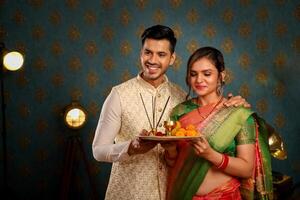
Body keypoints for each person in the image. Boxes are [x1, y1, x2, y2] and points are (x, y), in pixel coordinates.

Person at [92, 25, 250, 200]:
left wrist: (231, 103)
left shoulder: (181, 98)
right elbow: (98, 150)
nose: (152, 60)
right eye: (147, 52)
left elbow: (209, 112)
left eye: (161, 54)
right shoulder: (119, 94)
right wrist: (131, 147)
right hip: (129, 193)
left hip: (173, 193)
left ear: (172, 58)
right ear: (140, 53)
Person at [166, 46, 273, 200]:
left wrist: (211, 155)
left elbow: (247, 169)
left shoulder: (237, 113)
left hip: (225, 196)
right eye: (193, 74)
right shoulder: (179, 112)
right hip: (184, 195)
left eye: (207, 74)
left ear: (221, 76)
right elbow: (172, 164)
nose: (199, 80)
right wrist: (170, 150)